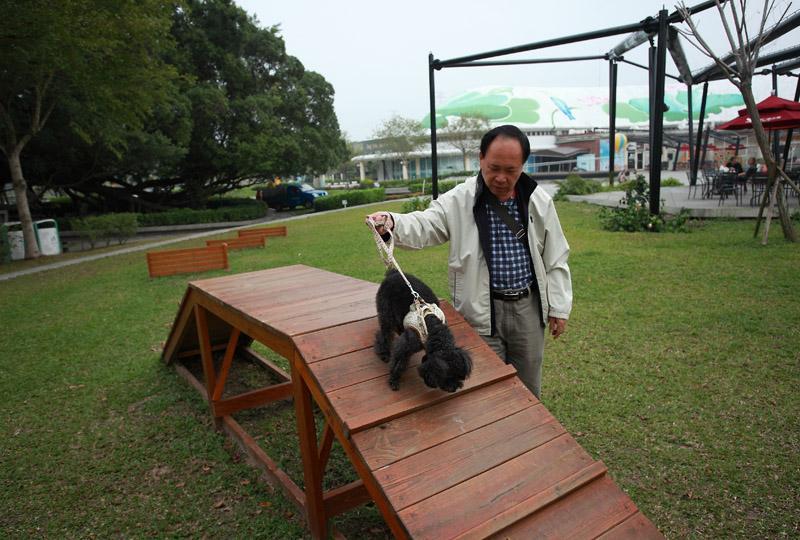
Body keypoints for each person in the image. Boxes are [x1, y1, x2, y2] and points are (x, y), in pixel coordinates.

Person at [365, 125, 572, 399]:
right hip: (479, 309)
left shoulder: (538, 200)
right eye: (493, 168)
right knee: (484, 392)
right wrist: (393, 222)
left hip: (528, 310)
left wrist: (559, 306)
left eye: (511, 171)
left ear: (523, 165)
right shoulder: (460, 199)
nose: (501, 178)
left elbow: (555, 255)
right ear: (480, 159)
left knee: (528, 387)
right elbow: (427, 223)